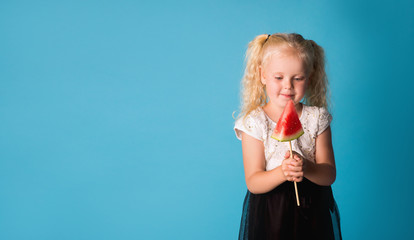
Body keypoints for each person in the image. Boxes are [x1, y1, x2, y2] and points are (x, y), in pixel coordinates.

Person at [234, 33, 342, 240]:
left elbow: (329, 174)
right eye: (279, 77)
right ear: (262, 75)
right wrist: (283, 172)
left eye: (298, 78)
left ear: (309, 78)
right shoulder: (254, 122)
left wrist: (307, 167)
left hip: (313, 208)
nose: (288, 86)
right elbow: (253, 182)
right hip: (270, 211)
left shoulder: (317, 118)